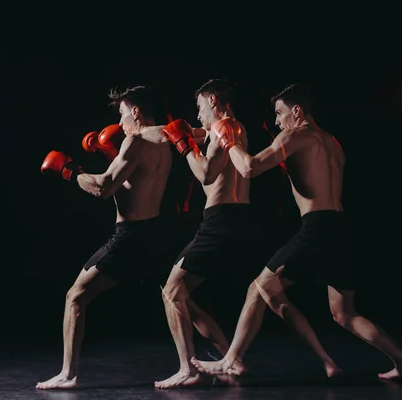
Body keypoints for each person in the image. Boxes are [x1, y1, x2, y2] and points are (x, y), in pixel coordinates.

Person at [191, 83, 402, 380]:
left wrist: (227, 142)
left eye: (280, 113)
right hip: (340, 227)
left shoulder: (295, 135)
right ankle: (401, 361)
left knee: (259, 287)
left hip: (318, 228)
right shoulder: (332, 142)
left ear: (297, 111)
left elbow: (249, 168)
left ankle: (230, 360)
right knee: (345, 314)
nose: (277, 121)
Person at [36, 85, 176, 389]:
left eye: (123, 113)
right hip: (156, 230)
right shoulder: (164, 143)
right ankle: (226, 358)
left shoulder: (135, 141)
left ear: (136, 112)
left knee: (75, 296)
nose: (121, 120)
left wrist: (69, 171)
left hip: (130, 236)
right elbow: (134, 184)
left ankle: (67, 374)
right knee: (178, 297)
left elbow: (103, 188)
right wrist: (113, 153)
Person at [154, 79, 264, 389]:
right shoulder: (235, 127)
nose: (198, 113)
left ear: (213, 100)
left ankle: (187, 369)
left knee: (172, 291)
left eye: (201, 106)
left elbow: (206, 174)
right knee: (181, 294)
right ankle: (233, 359)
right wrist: (175, 135)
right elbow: (191, 133)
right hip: (238, 218)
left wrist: (185, 146)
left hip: (221, 220)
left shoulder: (221, 128)